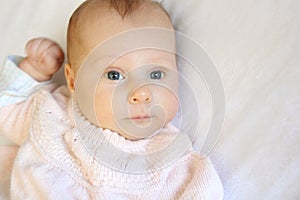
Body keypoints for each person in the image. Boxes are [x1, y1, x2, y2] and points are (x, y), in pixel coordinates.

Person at [0, 0, 223, 199]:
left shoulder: (173, 160)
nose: (141, 93)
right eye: (114, 75)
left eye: (156, 74)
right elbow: (6, 109)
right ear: (73, 81)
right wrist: (33, 70)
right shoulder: (50, 110)